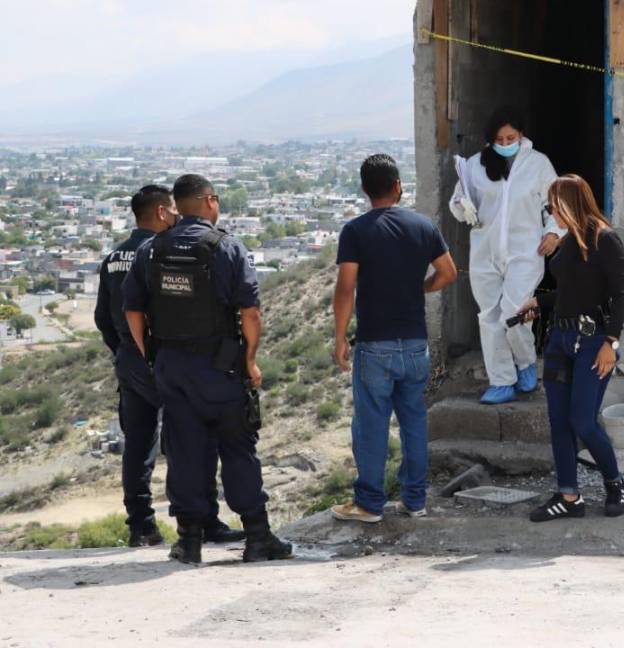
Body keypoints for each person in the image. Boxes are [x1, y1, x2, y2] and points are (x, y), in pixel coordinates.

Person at [123, 174, 291, 565]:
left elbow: (133, 310)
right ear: (210, 201)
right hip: (222, 368)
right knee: (238, 449)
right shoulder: (227, 247)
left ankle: (189, 541)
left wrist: (150, 354)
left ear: (178, 206)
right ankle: (257, 537)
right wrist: (250, 360)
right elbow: (250, 311)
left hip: (172, 368)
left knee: (184, 452)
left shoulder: (151, 249)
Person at [95, 185, 245, 548]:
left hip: (130, 361)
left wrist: (125, 352)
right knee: (189, 438)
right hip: (168, 358)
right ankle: (201, 522)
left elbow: (102, 318)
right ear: (162, 212)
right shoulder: (158, 252)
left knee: (137, 446)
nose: (178, 218)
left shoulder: (113, 257)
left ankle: (142, 527)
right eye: (173, 212)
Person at [330, 154, 457, 523]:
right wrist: (422, 287)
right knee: (414, 422)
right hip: (415, 343)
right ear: (398, 185)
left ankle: (369, 504)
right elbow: (448, 273)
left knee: (371, 425)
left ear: (364, 189)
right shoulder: (423, 226)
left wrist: (340, 337)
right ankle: (414, 500)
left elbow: (346, 288)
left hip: (374, 344)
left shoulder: (355, 231)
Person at [515, 175, 624, 522]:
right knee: (559, 422)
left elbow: (619, 296)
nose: (551, 213)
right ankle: (569, 497)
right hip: (560, 341)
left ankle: (615, 482)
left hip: (593, 342)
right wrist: (539, 302)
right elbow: (570, 293)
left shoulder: (605, 239)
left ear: (568, 203)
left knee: (583, 421)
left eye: (553, 206)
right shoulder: (567, 241)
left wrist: (611, 343)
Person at [449, 106, 564, 405]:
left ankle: (525, 362)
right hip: (485, 252)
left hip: (525, 252)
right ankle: (501, 381)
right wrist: (462, 207)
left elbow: (556, 204)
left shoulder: (538, 164)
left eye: (510, 138)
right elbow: (458, 201)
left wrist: (553, 233)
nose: (505, 144)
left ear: (521, 135)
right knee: (489, 317)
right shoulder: (475, 165)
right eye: (499, 140)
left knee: (514, 312)